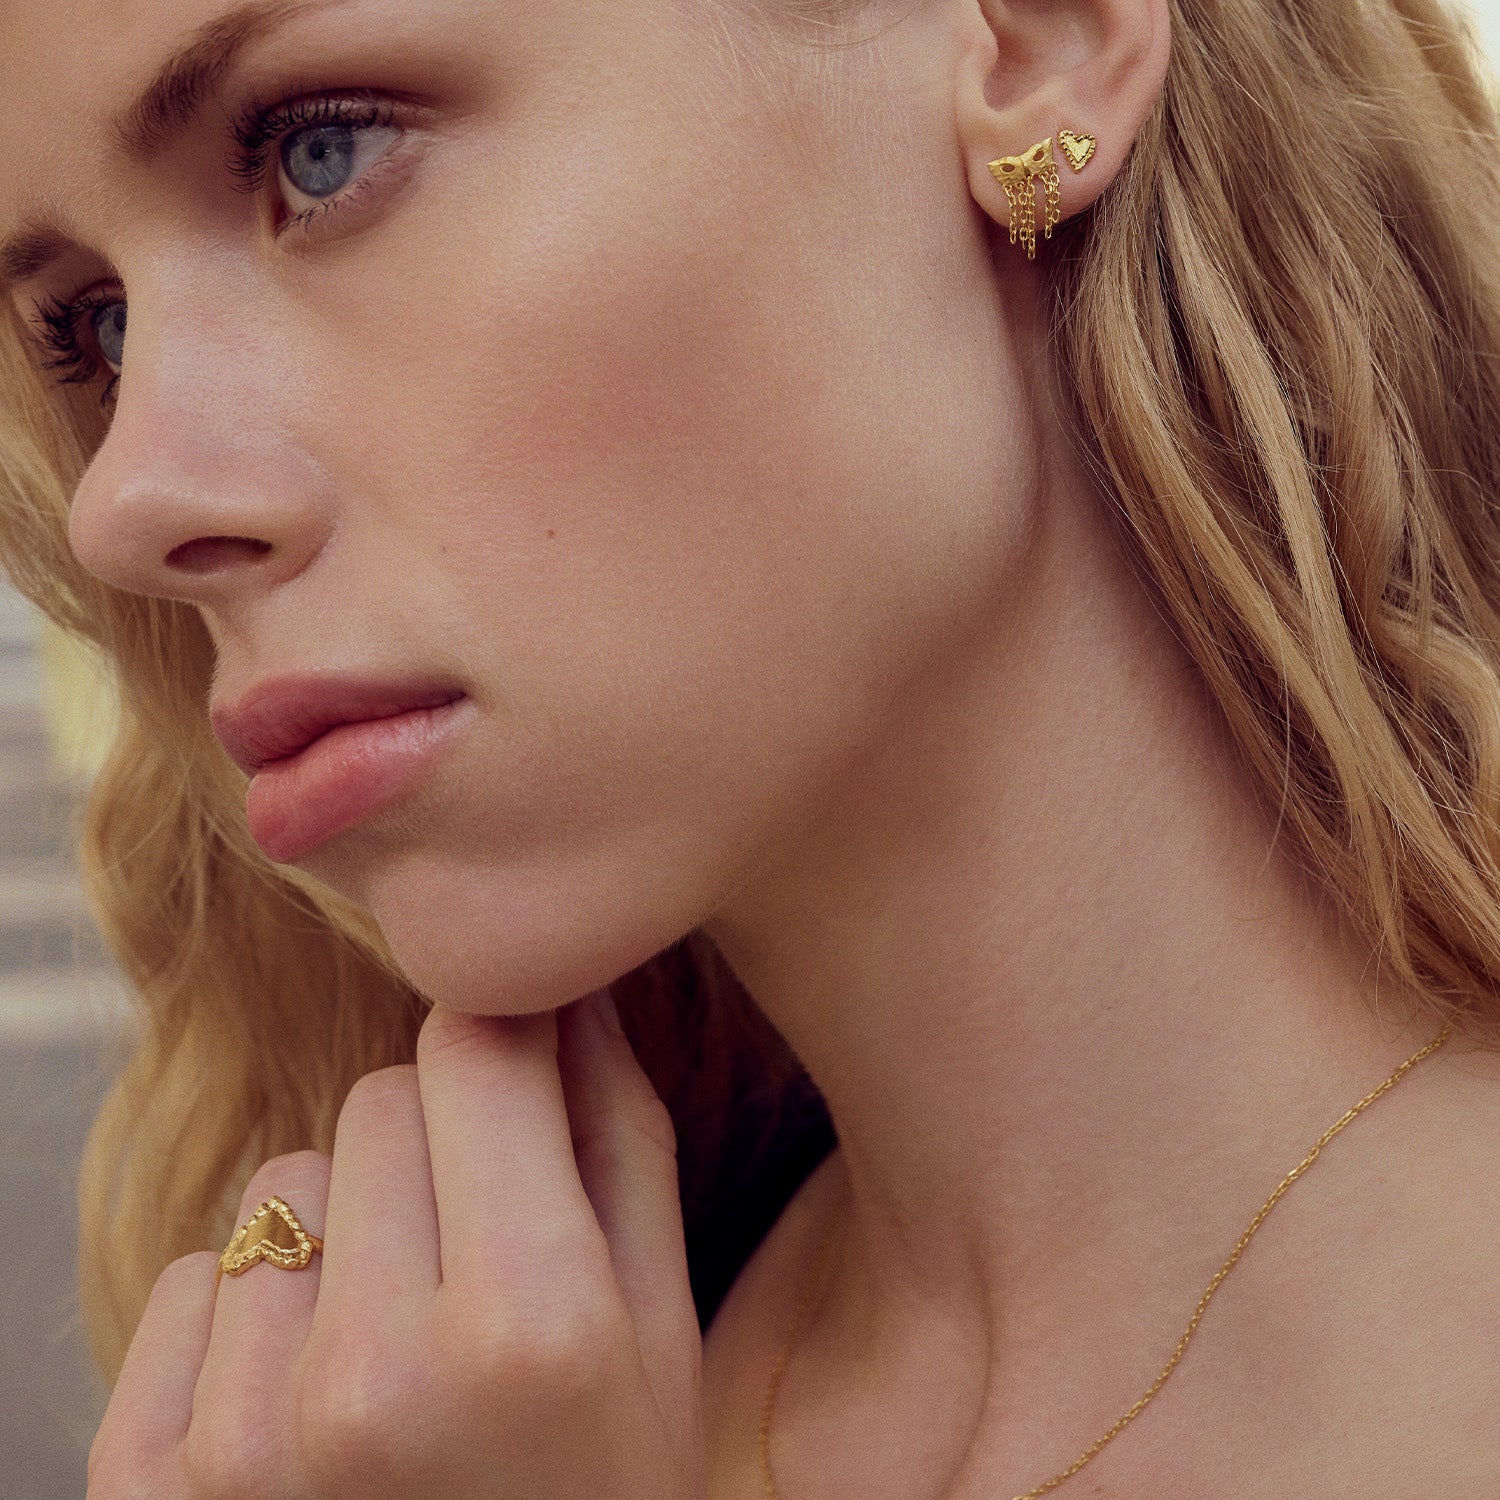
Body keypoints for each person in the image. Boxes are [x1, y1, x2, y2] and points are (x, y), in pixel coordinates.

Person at [3, 0, 1500, 1493]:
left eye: (321, 152)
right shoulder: (447, 1414)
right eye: (98, 329)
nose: (125, 505)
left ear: (1034, 41)